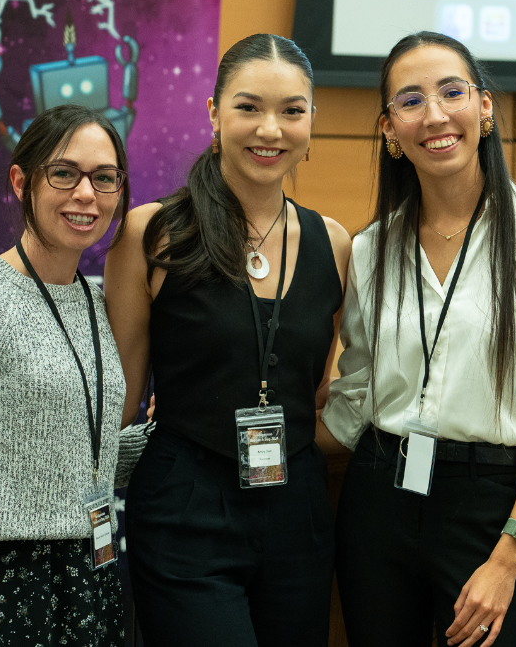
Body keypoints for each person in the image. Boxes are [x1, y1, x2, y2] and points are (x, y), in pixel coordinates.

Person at [320, 31, 516, 647]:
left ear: (485, 108)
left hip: (487, 508)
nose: (436, 115)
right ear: (389, 128)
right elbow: (355, 397)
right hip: (377, 500)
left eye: (452, 92)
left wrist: (510, 554)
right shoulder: (371, 250)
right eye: (410, 101)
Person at [103, 34, 350, 646]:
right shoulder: (152, 232)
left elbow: (315, 389)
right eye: (248, 107)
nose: (271, 129)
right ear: (214, 113)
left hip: (298, 511)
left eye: (292, 111)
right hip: (185, 504)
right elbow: (122, 399)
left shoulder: (335, 244)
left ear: (312, 122)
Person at [0, 104, 144, 646]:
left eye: (104, 178)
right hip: (2, 584)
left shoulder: (98, 303)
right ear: (20, 181)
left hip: (91, 574)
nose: (86, 194)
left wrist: (165, 434)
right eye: (64, 173)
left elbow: (65, 454)